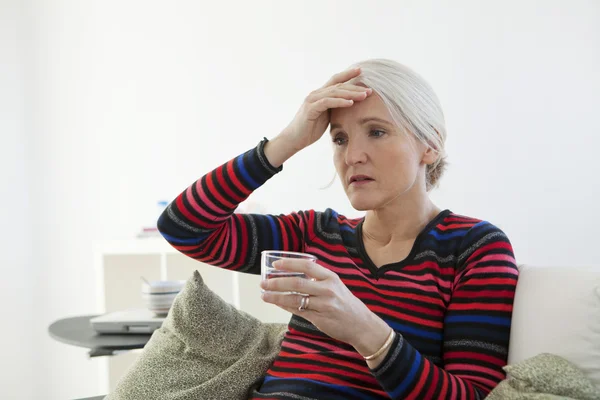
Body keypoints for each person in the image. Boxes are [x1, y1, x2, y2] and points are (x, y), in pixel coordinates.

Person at [157, 59, 519, 400]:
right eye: (340, 139)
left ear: (431, 145)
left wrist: (364, 330)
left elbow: (472, 395)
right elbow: (184, 228)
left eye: (376, 132)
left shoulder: (474, 249)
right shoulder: (315, 234)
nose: (352, 156)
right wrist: (287, 142)